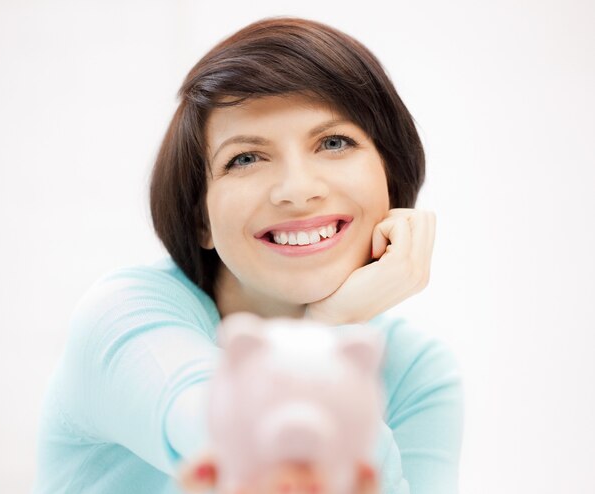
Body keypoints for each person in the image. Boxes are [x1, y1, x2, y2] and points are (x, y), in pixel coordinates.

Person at [32, 16, 463, 494]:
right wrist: (330, 330)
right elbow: (245, 443)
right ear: (201, 218)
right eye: (246, 158)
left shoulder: (416, 371)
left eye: (334, 142)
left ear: (390, 174)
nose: (298, 191)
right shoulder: (124, 315)